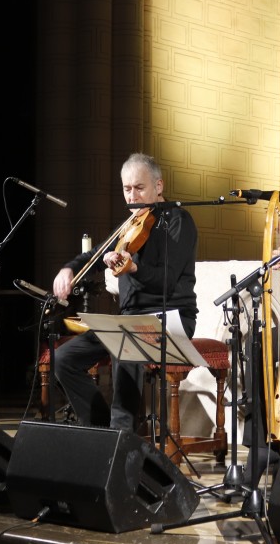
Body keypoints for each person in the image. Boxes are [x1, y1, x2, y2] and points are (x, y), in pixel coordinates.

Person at [51, 153, 198, 431]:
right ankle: (103, 429)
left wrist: (133, 269)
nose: (131, 197)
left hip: (171, 318)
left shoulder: (179, 221)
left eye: (139, 188)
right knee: (64, 359)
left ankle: (121, 435)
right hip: (129, 321)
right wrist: (68, 269)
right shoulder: (128, 226)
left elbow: (166, 281)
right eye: (126, 189)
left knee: (125, 343)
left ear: (159, 186)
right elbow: (94, 255)